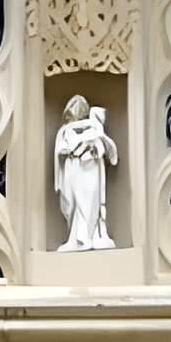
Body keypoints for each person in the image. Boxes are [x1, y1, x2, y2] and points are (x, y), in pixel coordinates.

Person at [54, 94, 118, 250]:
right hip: (73, 168)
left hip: (90, 170)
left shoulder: (94, 128)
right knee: (72, 201)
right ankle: (74, 238)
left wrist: (94, 145)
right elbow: (60, 149)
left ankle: (85, 238)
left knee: (88, 202)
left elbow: (107, 149)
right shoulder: (64, 130)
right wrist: (68, 148)